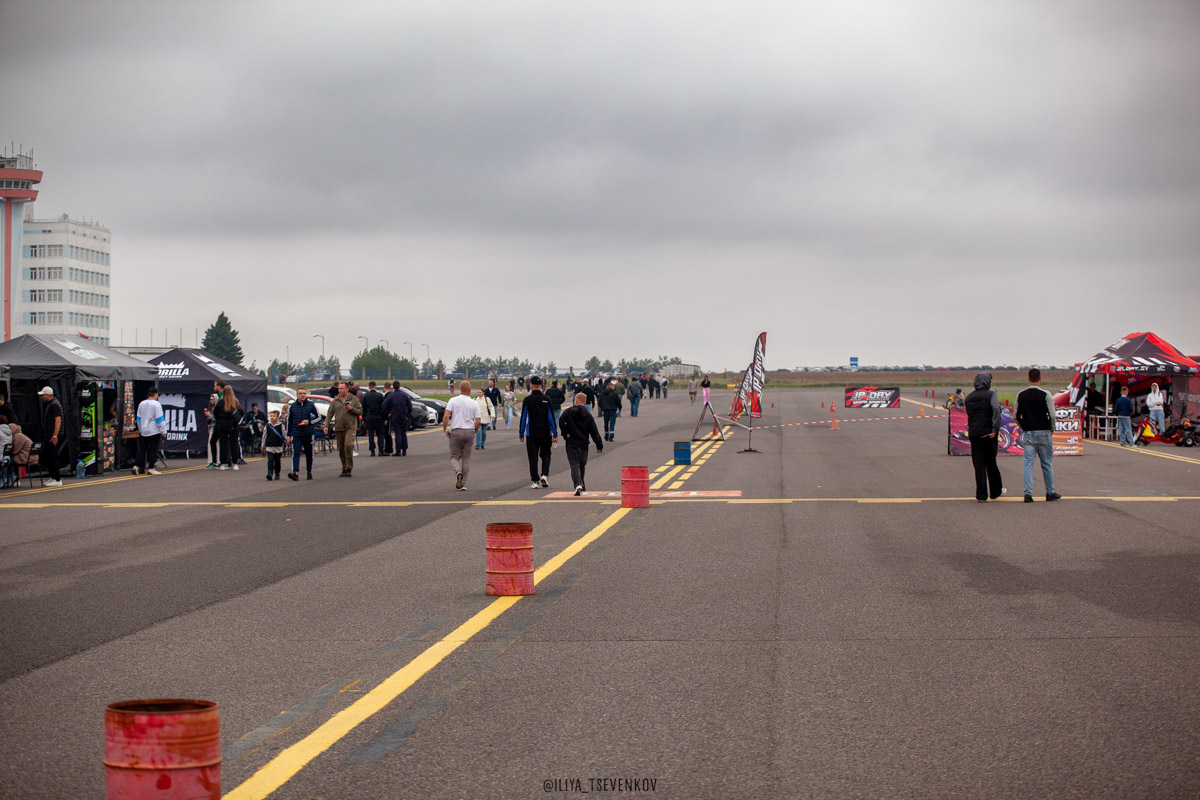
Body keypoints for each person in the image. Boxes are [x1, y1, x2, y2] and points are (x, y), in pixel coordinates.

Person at [1015, 368, 1060, 503]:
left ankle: (1028, 494)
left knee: (1028, 464)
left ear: (1028, 378)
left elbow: (1016, 415)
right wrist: (1052, 428)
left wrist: (1023, 426)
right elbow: (1052, 415)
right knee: (1046, 463)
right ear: (1040, 378)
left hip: (1029, 432)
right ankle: (1050, 492)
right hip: (1044, 431)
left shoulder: (1021, 395)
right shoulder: (1046, 394)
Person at [965, 372, 1004, 503]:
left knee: (978, 464)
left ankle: (981, 495)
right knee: (991, 462)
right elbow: (996, 410)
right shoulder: (991, 395)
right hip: (988, 432)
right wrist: (995, 428)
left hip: (974, 433)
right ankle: (995, 491)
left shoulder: (969, 397)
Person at [559, 391, 604, 495]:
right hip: (583, 443)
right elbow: (594, 432)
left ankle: (577, 484)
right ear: (584, 402)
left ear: (575, 401)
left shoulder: (568, 411)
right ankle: (581, 483)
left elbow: (561, 420)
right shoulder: (588, 415)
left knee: (574, 464)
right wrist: (599, 445)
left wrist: (565, 433)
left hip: (571, 442)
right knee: (582, 464)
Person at [519, 375, 558, 488]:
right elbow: (551, 418)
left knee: (533, 457)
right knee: (546, 454)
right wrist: (554, 434)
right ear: (540, 385)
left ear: (531, 385)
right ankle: (544, 475)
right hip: (545, 432)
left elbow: (524, 417)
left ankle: (535, 481)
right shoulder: (547, 399)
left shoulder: (527, 400)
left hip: (532, 433)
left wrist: (521, 433)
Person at [443, 380, 480, 490]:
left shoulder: (453, 400)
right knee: (466, 458)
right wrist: (474, 431)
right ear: (469, 390)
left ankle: (458, 472)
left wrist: (445, 429)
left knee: (454, 457)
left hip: (456, 430)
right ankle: (463, 484)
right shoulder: (474, 403)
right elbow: (478, 421)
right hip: (469, 431)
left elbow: (446, 416)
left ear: (460, 390)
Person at [324, 381, 363, 477]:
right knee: (341, 449)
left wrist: (351, 409)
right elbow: (330, 413)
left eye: (342, 388)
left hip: (350, 427)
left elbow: (360, 411)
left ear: (347, 389)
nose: (340, 390)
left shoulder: (353, 399)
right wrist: (326, 425)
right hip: (339, 427)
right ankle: (344, 467)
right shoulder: (336, 400)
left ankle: (349, 467)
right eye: (339, 388)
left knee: (348, 445)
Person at [286, 387, 321, 480]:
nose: (302, 395)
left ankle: (309, 471)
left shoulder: (311, 405)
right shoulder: (292, 406)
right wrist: (288, 435)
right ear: (297, 395)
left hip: (308, 433)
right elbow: (289, 421)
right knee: (296, 453)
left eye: (304, 393)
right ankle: (295, 472)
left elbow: (319, 417)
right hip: (296, 434)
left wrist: (309, 422)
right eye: (300, 393)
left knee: (309, 453)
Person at [133, 387, 167, 476]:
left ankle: (136, 466)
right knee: (153, 450)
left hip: (144, 430)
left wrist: (140, 429)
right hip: (154, 430)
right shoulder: (156, 404)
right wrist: (164, 431)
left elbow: (138, 418)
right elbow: (159, 419)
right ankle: (151, 468)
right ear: (155, 394)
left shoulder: (142, 404)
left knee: (142, 449)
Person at [37, 386, 64, 486]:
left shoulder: (54, 405)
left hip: (53, 435)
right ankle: (53, 476)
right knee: (47, 455)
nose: (42, 397)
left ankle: (57, 479)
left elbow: (58, 420)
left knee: (52, 456)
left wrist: (55, 435)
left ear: (49, 395)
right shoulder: (52, 404)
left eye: (43, 395)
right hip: (50, 434)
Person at [212, 385, 242, 471]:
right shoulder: (235, 402)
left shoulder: (221, 402)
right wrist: (236, 419)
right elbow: (242, 412)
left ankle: (223, 464)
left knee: (223, 444)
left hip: (222, 424)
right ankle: (235, 463)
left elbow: (215, 413)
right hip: (233, 425)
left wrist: (220, 419)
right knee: (234, 444)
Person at [382, 380, 412, 456]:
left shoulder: (391, 396)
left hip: (395, 416)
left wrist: (388, 413)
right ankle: (404, 450)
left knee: (397, 433)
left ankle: (398, 450)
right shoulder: (405, 395)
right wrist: (407, 413)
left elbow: (384, 406)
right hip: (403, 415)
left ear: (393, 387)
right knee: (403, 433)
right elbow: (410, 406)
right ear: (399, 386)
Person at [361, 381, 386, 456]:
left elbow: (363, 408)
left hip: (369, 416)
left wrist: (364, 418)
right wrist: (384, 418)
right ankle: (381, 450)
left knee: (371, 434)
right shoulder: (380, 395)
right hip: (378, 416)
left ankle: (372, 451)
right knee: (380, 434)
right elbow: (383, 407)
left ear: (369, 387)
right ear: (375, 386)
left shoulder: (365, 396)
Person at [262, 409, 286, 480]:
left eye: (274, 416)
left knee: (277, 460)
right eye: (271, 416)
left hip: (278, 446)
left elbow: (284, 433)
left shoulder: (280, 425)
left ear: (277, 417)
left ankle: (277, 473)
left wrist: (287, 439)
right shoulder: (267, 426)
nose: (272, 417)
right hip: (269, 445)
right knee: (270, 459)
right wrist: (263, 446)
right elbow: (264, 436)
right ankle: (270, 472)